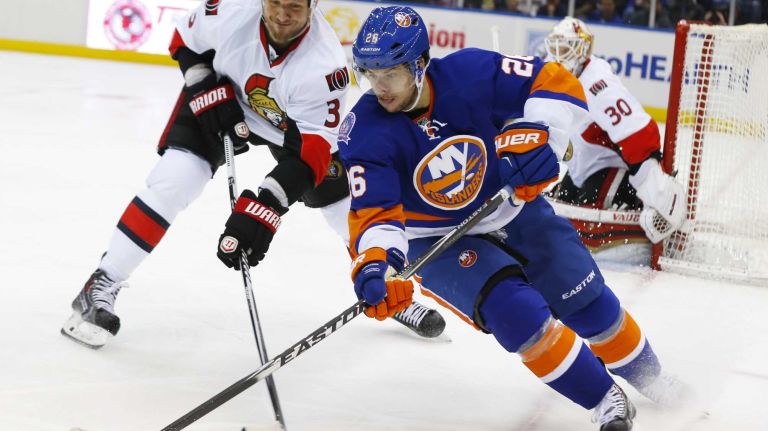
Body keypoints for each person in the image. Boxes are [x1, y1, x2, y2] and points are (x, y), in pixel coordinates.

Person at [340, 6, 685, 430]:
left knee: (584, 297)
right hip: (435, 239)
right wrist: (379, 264)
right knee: (515, 313)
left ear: (419, 64)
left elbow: (554, 80)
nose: (378, 87)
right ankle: (603, 398)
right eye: (369, 74)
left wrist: (546, 139)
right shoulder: (363, 129)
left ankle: (651, 377)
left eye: (388, 74)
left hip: (508, 204)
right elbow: (375, 213)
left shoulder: (469, 72)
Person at [62, 0, 443, 349]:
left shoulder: (324, 65)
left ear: (313, 5)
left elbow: (310, 155)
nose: (281, 15)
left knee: (344, 203)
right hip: (222, 99)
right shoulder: (229, 9)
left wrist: (264, 205)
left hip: (286, 126)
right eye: (274, 2)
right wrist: (203, 86)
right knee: (174, 180)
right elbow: (183, 38)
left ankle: (386, 288)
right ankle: (102, 281)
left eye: (294, 6)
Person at [543, 17, 685, 260]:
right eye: (556, 47)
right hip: (582, 169)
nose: (559, 55)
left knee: (587, 216)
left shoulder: (598, 83)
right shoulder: (552, 75)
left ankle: (640, 214)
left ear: (583, 49)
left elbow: (638, 133)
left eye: (566, 48)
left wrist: (655, 186)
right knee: (557, 210)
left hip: (612, 167)